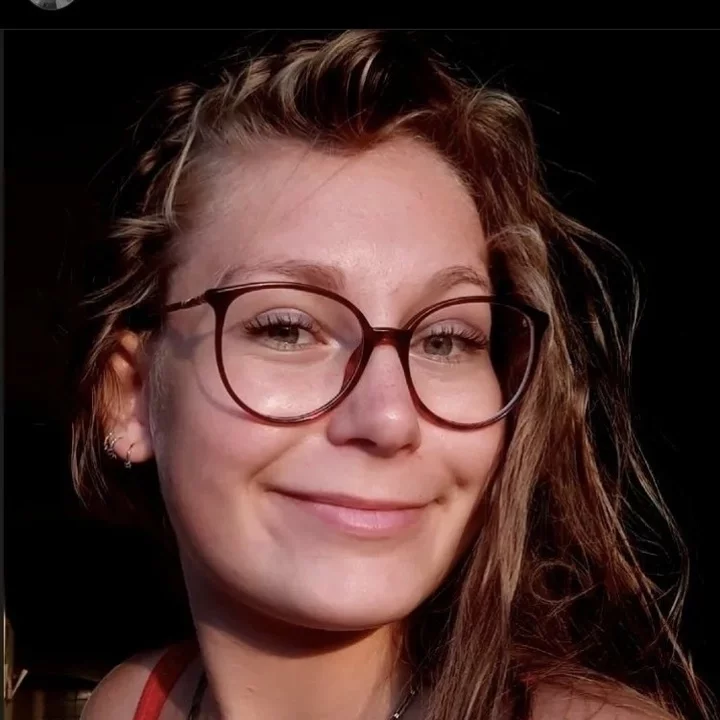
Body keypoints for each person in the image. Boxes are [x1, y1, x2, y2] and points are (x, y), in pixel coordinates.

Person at [72, 30, 713, 720]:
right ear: (130, 395)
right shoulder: (135, 701)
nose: (389, 417)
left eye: (446, 339)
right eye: (287, 328)